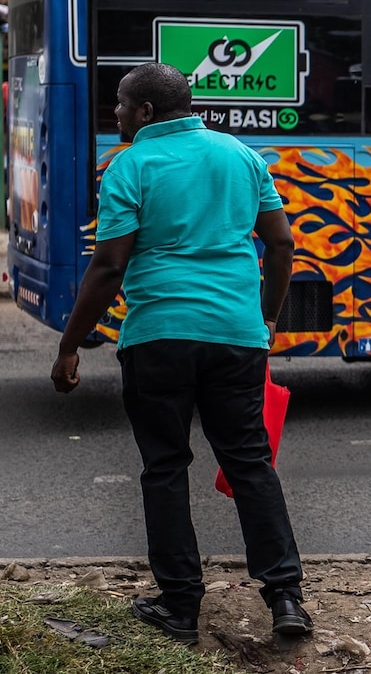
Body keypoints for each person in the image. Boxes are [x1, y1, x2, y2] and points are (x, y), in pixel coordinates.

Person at [49, 63, 311, 644]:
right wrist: (266, 318)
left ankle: (181, 606)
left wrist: (69, 346)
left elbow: (109, 266)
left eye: (121, 103)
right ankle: (285, 597)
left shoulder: (130, 166)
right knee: (250, 464)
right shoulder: (241, 156)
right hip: (236, 336)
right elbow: (281, 242)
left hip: (159, 338)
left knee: (165, 467)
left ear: (145, 111)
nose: (116, 113)